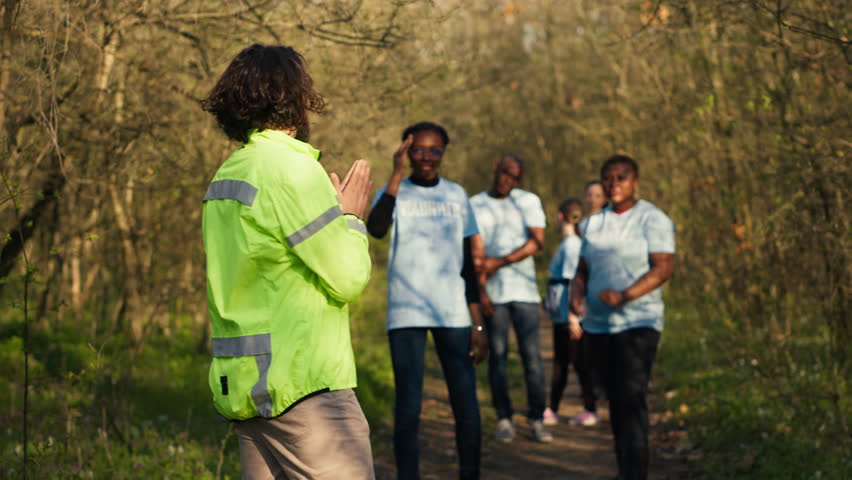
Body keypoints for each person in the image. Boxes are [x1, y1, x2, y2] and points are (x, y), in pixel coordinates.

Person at [200, 44, 375, 479]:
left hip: (247, 390)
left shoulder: (227, 175)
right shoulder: (293, 171)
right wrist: (351, 218)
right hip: (305, 388)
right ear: (295, 99)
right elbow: (348, 278)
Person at [366, 122, 488, 480]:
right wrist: (395, 173)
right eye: (418, 150)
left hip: (452, 312)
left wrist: (477, 321)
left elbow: (468, 262)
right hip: (406, 312)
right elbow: (375, 228)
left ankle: (470, 473)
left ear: (444, 153)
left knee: (466, 405)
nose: (427, 158)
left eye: (435, 150)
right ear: (406, 151)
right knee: (408, 408)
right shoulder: (393, 191)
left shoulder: (457, 195)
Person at [570, 155, 675, 480]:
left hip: (638, 323)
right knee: (615, 400)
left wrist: (625, 295)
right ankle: (624, 469)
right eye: (608, 178)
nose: (614, 184)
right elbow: (582, 270)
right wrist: (576, 292)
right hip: (600, 326)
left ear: (635, 182)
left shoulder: (652, 219)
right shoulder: (593, 223)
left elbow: (663, 267)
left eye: (621, 177)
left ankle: (636, 472)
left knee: (632, 396)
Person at [469, 154, 552, 443]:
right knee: (498, 358)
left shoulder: (528, 201)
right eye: (505, 173)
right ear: (495, 169)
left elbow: (537, 242)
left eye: (515, 177)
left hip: (525, 293)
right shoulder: (475, 204)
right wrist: (480, 291)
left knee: (532, 358)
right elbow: (475, 253)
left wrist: (499, 262)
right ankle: (504, 418)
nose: (509, 181)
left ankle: (537, 418)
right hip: (495, 295)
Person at [542, 198, 598, 427]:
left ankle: (589, 409)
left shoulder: (572, 245)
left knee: (576, 362)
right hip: (563, 315)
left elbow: (573, 282)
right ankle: (553, 408)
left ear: (559, 217)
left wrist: (574, 316)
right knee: (564, 361)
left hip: (570, 317)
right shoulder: (571, 244)